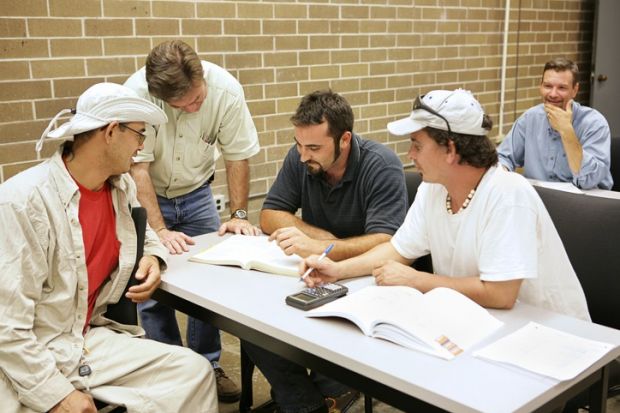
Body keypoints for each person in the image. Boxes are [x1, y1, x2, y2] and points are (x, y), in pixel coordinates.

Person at [0, 83, 217, 413]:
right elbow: (7, 327)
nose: (142, 146)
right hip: (30, 349)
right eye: (139, 134)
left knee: (193, 373)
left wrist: (152, 256)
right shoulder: (21, 203)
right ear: (112, 131)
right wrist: (55, 394)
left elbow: (145, 234)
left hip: (84, 339)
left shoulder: (121, 186)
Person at [302, 89, 590, 324]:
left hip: (549, 335)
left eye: (417, 145)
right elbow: (398, 250)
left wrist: (418, 280)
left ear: (450, 149)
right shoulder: (433, 188)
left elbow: (500, 295)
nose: (409, 154)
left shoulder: (507, 194)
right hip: (479, 321)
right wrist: (337, 270)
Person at [243, 90, 409, 413]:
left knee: (333, 343)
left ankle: (308, 400)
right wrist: (323, 239)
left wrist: (323, 248)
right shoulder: (302, 157)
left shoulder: (381, 165)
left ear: (344, 140)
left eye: (314, 148)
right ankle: (307, 404)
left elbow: (385, 241)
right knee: (249, 321)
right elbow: (270, 214)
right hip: (313, 273)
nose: (303, 156)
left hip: (365, 281)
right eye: (299, 144)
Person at [124, 40, 260, 401]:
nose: (193, 108)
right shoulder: (136, 96)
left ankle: (208, 365)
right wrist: (158, 230)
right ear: (161, 98)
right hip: (147, 193)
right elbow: (138, 169)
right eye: (181, 105)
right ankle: (170, 373)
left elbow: (237, 155)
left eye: (197, 99)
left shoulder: (226, 91)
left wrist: (238, 216)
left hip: (198, 192)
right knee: (152, 286)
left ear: (202, 79)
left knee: (209, 282)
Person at [497, 57, 612, 190]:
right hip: (539, 197)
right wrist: (502, 172)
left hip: (585, 198)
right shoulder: (530, 118)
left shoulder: (594, 123)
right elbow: (503, 157)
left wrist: (566, 130)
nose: (553, 94)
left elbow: (589, 180)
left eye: (562, 88)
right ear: (540, 86)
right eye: (548, 86)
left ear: (575, 90)